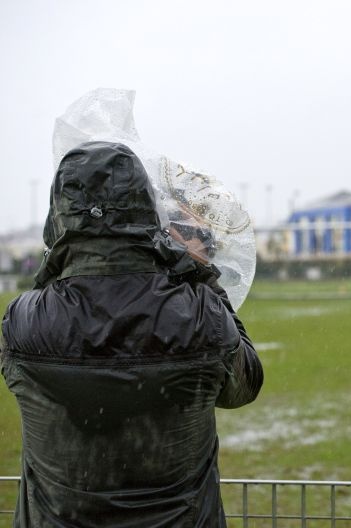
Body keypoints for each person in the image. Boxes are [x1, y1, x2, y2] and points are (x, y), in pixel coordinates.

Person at [0, 142, 264, 526]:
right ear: (148, 211)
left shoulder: (23, 323)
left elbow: (54, 295)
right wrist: (196, 273)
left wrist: (56, 261)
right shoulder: (199, 314)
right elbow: (245, 384)